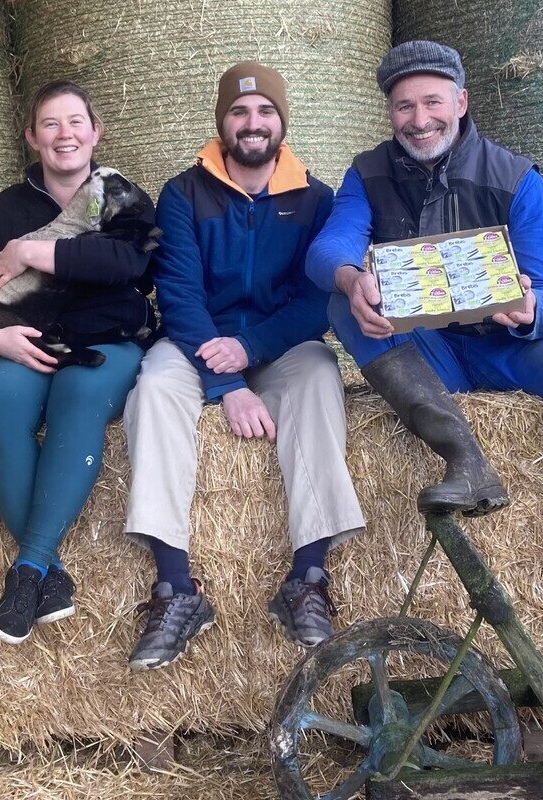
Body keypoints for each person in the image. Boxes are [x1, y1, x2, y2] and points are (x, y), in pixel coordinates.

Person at [305, 41, 543, 665]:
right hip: (435, 352)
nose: (419, 118)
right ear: (389, 113)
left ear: (461, 101)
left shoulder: (518, 179)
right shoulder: (367, 174)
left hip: (515, 346)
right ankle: (465, 459)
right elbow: (329, 250)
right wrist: (353, 279)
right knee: (338, 304)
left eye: (432, 101)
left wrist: (533, 309)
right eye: (404, 106)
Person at [122, 62, 366, 670]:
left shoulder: (315, 197)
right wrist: (227, 383)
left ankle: (308, 578)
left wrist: (251, 349)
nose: (252, 124)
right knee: (151, 386)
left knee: (319, 374)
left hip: (276, 345)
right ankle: (175, 588)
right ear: (222, 122)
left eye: (264, 113)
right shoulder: (184, 193)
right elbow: (177, 294)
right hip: (195, 343)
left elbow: (317, 301)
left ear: (282, 122)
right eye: (239, 112)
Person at [0, 81, 157, 646]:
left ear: (95, 131)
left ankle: (28, 566)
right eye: (51, 124)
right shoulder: (10, 207)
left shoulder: (119, 194)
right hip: (33, 344)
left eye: (76, 122)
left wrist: (34, 252)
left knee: (78, 394)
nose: (65, 135)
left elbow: (131, 261)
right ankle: (51, 576)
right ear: (33, 138)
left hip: (110, 341)